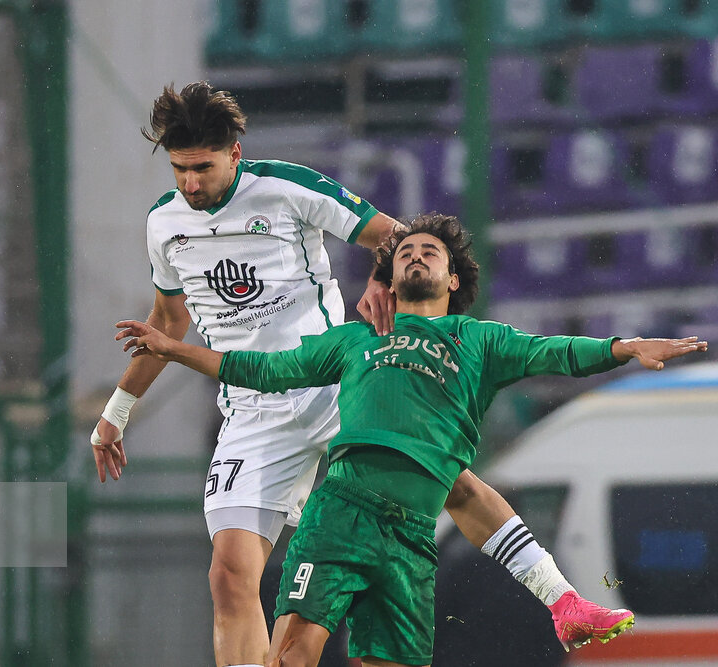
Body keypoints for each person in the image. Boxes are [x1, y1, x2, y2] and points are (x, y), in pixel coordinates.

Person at [91, 81, 634, 666]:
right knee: (228, 576)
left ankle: (561, 599)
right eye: (180, 169)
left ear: (235, 153)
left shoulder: (287, 188)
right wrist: (116, 413)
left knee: (448, 483)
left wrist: (380, 279)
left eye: (203, 168)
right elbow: (166, 323)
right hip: (252, 407)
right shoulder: (164, 223)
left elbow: (396, 234)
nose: (191, 184)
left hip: (335, 384)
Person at [114, 211, 708, 666]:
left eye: (430, 251)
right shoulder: (355, 341)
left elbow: (557, 352)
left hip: (414, 536)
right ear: (391, 279)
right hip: (341, 514)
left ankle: (563, 601)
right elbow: (261, 370)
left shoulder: (480, 341)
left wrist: (624, 348)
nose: (416, 256)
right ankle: (563, 600)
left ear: (453, 277)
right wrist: (174, 349)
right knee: (292, 655)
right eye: (405, 252)